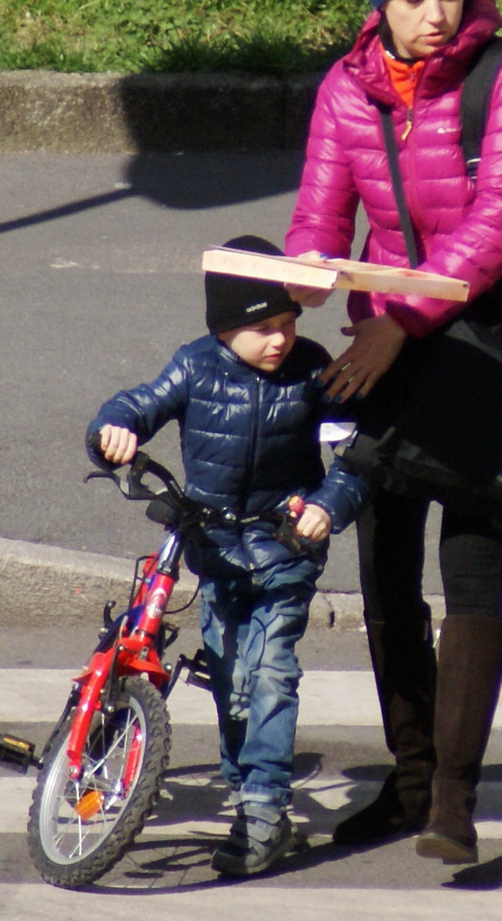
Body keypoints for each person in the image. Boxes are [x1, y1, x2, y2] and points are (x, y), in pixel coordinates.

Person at [285, 0, 502, 864]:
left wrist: (395, 317)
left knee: (471, 576)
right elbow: (321, 214)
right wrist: (298, 278)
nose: (436, 14)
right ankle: (405, 785)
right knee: (385, 575)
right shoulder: (344, 88)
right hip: (381, 359)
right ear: (378, 3)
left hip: (489, 358)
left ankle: (452, 798)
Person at [85, 235, 368, 877]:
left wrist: (331, 502)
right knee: (230, 679)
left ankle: (264, 813)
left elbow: (354, 456)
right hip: (211, 547)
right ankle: (246, 796)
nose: (280, 339)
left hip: (283, 547)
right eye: (263, 328)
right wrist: (115, 430)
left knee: (269, 672)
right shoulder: (195, 367)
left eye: (288, 323)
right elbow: (137, 403)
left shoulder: (313, 371)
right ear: (224, 329)